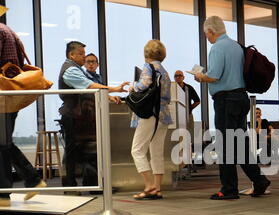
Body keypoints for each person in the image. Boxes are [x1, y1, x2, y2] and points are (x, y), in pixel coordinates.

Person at [194, 16, 271, 200]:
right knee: (240, 143)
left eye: (206, 34)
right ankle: (259, 180)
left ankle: (229, 189)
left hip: (226, 100)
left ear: (211, 31)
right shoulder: (236, 46)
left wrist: (200, 76)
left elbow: (214, 76)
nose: (206, 37)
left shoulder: (217, 48)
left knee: (225, 144)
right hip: (241, 98)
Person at [58, 41, 127, 189]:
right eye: (82, 54)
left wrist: (108, 96)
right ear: (72, 54)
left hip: (80, 117)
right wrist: (114, 89)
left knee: (86, 150)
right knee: (75, 152)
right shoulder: (71, 70)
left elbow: (90, 88)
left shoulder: (76, 69)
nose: (84, 58)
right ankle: (71, 186)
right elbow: (89, 86)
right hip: (73, 117)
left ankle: (90, 184)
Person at [0, 5, 46, 207]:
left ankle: (4, 194)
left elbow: (7, 66)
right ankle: (31, 179)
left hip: (3, 95)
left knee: (2, 143)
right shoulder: (7, 31)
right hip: (11, 95)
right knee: (3, 142)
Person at [130, 40, 172, 200]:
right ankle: (157, 188)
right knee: (156, 152)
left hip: (149, 114)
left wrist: (133, 86)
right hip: (163, 114)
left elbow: (145, 83)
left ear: (146, 53)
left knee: (137, 150)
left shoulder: (148, 67)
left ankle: (149, 185)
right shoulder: (164, 70)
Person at [174, 70, 200, 138]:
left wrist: (189, 108)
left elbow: (197, 101)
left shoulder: (189, 88)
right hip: (176, 116)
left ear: (183, 77)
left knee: (189, 133)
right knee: (176, 135)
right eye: (176, 76)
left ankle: (189, 147)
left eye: (180, 75)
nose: (178, 77)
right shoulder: (172, 88)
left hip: (188, 115)